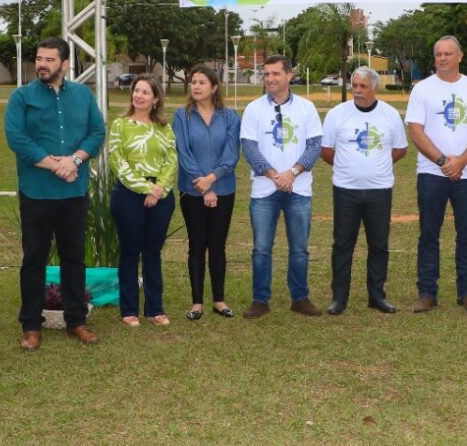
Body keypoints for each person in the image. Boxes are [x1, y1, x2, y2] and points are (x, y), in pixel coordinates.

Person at [4, 36, 106, 350]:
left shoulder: (82, 96)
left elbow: (97, 132)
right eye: (39, 58)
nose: (42, 65)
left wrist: (75, 160)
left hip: (74, 193)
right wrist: (55, 165)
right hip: (37, 192)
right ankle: (32, 326)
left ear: (65, 64)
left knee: (73, 257)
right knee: (34, 259)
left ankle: (76, 320)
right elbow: (16, 138)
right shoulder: (22, 97)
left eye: (49, 60)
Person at [405, 35, 467, 312]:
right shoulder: (422, 90)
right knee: (429, 233)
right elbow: (416, 131)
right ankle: (427, 292)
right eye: (438, 54)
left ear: (460, 56)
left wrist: (461, 161)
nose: (442, 58)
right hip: (431, 173)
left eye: (448, 54)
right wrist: (444, 161)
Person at [239, 55, 323, 319]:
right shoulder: (253, 109)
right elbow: (249, 148)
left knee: (299, 248)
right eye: (266, 74)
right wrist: (275, 175)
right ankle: (260, 299)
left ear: (289, 76)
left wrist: (293, 173)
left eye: (276, 74)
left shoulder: (306, 108)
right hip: (265, 191)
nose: (270, 79)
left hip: (298, 190)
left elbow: (314, 146)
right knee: (261, 248)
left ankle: (300, 298)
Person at [320, 65, 408, 315]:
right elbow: (326, 151)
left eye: (363, 86)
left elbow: (400, 149)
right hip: (346, 190)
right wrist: (350, 167)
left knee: (379, 245)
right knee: (342, 245)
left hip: (379, 191)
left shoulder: (390, 115)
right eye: (354, 85)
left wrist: (376, 165)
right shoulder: (337, 114)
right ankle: (339, 298)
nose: (357, 91)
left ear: (374, 88)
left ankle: (377, 296)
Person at [108, 75, 177, 327]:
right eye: (136, 90)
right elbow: (118, 162)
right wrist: (147, 188)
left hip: (161, 197)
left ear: (155, 98)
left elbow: (171, 160)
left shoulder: (165, 128)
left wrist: (158, 189)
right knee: (129, 252)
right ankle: (129, 310)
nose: (138, 95)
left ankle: (154, 309)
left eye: (145, 92)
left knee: (152, 253)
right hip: (128, 196)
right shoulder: (120, 125)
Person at [173, 65, 240, 321]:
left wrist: (212, 180)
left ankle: (219, 300)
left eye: (202, 82)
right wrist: (203, 186)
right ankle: (197, 302)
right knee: (197, 245)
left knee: (218, 246)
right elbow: (183, 152)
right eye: (193, 82)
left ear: (214, 87)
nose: (196, 86)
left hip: (223, 189)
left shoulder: (231, 117)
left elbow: (232, 153)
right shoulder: (182, 116)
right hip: (192, 191)